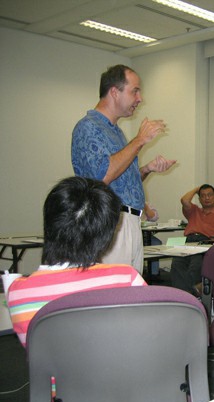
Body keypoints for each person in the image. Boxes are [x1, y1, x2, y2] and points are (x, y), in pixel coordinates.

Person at [7, 177, 147, 347]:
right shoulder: (127, 278)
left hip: (54, 374)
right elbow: (144, 336)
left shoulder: (17, 292)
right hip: (117, 371)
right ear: (107, 236)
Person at [71, 64, 176, 274]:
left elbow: (121, 181)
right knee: (111, 297)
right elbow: (101, 177)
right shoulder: (88, 127)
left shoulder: (116, 132)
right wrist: (139, 140)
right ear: (114, 92)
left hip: (130, 223)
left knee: (130, 296)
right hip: (109, 225)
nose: (140, 98)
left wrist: (147, 169)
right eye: (135, 90)